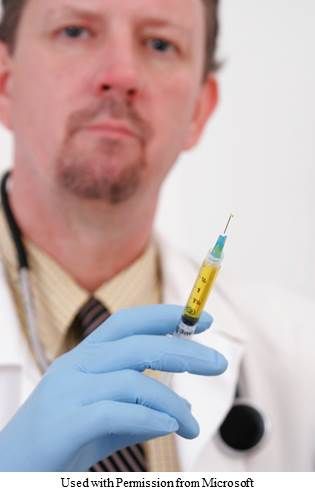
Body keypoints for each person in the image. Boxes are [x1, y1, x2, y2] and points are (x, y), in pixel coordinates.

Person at [0, 0, 314, 472]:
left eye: (160, 43)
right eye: (75, 32)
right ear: (5, 83)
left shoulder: (298, 352)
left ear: (199, 110)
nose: (121, 73)